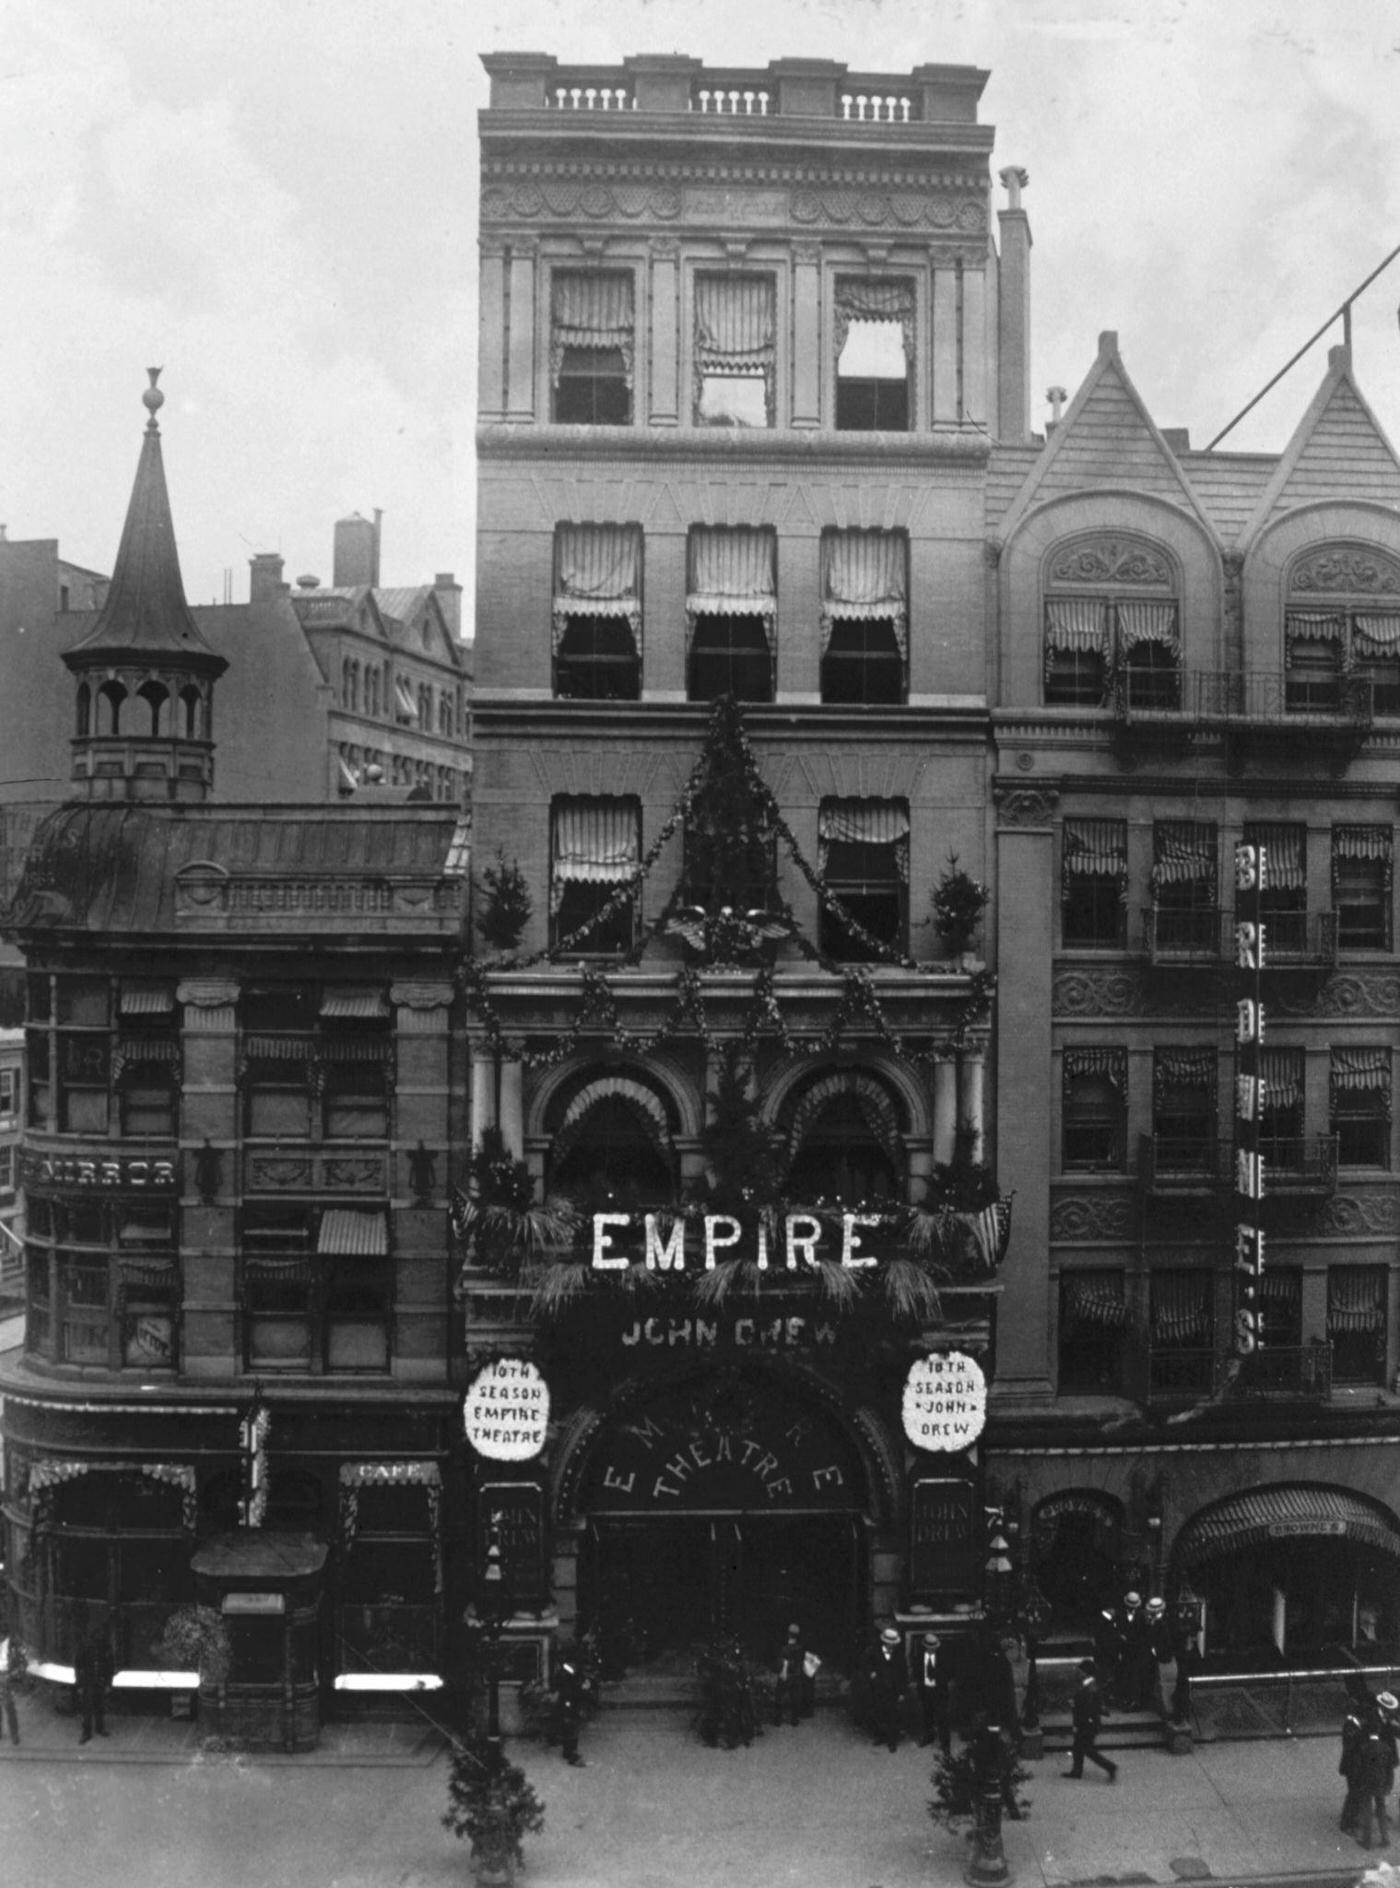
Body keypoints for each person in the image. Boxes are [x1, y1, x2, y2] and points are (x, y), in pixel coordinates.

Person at [1063, 1658, 1117, 1783]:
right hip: (1089, 1722)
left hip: (1087, 1723)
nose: (1078, 1672)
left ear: (1085, 1672)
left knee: (1087, 1749)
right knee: (1078, 1747)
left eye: (1080, 1670)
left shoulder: (1089, 1688)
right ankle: (1077, 1770)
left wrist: (1077, 1719)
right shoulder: (1089, 1685)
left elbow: (1088, 1708)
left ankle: (1109, 1766)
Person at [1352, 1708, 1392, 1851]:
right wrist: (1388, 1784)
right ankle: (1385, 1838)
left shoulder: (1365, 1748)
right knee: (1381, 1809)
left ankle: (1367, 1841)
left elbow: (1359, 1767)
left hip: (1367, 1783)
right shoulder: (1385, 1748)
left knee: (1367, 1811)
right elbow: (1389, 1769)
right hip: (1381, 1783)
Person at [74, 1613, 114, 1744]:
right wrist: (79, 1684)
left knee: (99, 1705)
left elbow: (110, 1665)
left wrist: (108, 1683)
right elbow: (78, 1665)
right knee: (88, 1707)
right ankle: (87, 1732)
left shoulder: (105, 1646)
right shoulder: (85, 1645)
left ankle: (99, 1728)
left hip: (99, 1679)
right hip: (88, 1681)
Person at [868, 1626, 909, 1753]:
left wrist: (902, 1692)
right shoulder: (875, 1652)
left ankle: (892, 1741)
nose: (891, 1646)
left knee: (892, 1715)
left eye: (893, 1644)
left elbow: (903, 1674)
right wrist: (872, 1674)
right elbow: (868, 1665)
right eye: (889, 1643)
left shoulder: (899, 1655)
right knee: (880, 1713)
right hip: (879, 1688)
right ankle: (881, 1736)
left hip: (893, 1689)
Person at [916, 1631, 952, 1755]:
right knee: (927, 1716)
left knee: (942, 1718)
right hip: (926, 1690)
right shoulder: (919, 1656)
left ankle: (946, 1744)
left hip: (939, 1691)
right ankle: (928, 1737)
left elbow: (948, 1673)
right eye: (929, 1648)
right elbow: (918, 1672)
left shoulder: (943, 1657)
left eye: (934, 1648)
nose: (932, 1650)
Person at [552, 1644, 587, 1766]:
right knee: (570, 1727)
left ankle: (569, 1751)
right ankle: (571, 1752)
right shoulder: (567, 1672)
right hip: (569, 1702)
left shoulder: (567, 1671)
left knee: (570, 1727)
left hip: (570, 1702)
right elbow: (568, 1689)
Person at [773, 1623, 811, 1727]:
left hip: (786, 1675)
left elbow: (780, 1662)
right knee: (795, 1698)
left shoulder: (784, 1648)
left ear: (788, 1634)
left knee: (779, 1696)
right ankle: (795, 1720)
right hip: (796, 1675)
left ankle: (778, 1720)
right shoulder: (800, 1648)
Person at [0, 1632, 20, 1748]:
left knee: (9, 1705)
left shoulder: (11, 1643)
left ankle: (14, 1734)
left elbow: (20, 1661)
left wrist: (11, 1674)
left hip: (5, 1676)